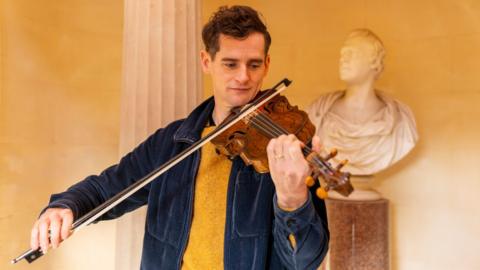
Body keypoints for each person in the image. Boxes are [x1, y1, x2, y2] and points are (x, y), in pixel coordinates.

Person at [29, 5, 329, 270]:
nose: (243, 77)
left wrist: (292, 200)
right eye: (230, 64)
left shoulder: (286, 152)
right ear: (206, 61)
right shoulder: (172, 143)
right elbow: (107, 187)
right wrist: (64, 206)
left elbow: (304, 261)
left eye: (253, 64)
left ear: (266, 65)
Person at [307, 29, 418, 177]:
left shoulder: (401, 121)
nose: (343, 59)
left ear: (374, 61)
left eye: (351, 53)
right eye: (342, 54)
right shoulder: (317, 112)